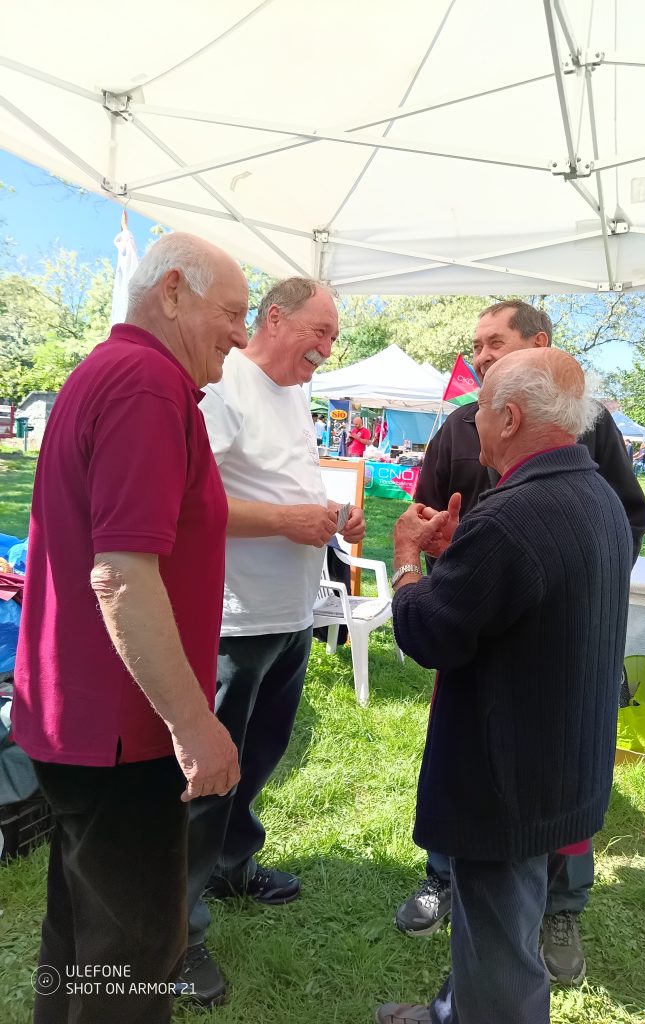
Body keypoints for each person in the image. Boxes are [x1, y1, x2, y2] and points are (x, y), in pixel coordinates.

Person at [11, 233, 247, 1024]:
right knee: (135, 958)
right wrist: (194, 724)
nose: (242, 335)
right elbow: (120, 575)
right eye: (233, 313)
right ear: (172, 291)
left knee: (83, 934)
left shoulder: (116, 373)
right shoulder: (146, 384)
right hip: (122, 732)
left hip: (84, 719)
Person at [395, 299, 645, 987]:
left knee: (516, 833)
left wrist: (412, 561)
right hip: (485, 647)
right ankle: (448, 897)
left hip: (541, 671)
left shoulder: (585, 436)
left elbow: (614, 528)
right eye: (475, 344)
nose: (479, 356)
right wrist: (468, 559)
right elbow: (446, 518)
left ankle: (558, 912)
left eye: (493, 343)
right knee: (507, 815)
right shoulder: (469, 432)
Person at [177, 277, 366, 1006]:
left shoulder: (292, 392)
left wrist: (333, 515)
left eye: (334, 338)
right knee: (208, 777)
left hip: (290, 615)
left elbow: (279, 483)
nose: (327, 349)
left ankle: (231, 866)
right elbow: (193, 499)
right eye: (320, 332)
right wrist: (287, 522)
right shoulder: (225, 384)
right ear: (275, 318)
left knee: (257, 758)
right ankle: (178, 933)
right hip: (234, 619)